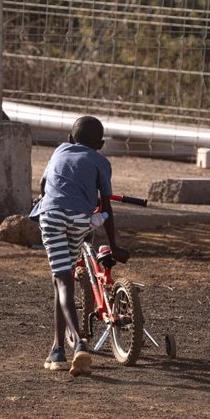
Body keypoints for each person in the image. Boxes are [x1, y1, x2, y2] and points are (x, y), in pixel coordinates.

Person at [29, 115, 129, 377]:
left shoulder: (60, 150)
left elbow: (42, 185)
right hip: (80, 221)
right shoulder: (101, 162)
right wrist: (114, 245)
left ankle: (79, 342)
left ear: (70, 139)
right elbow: (106, 206)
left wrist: (45, 199)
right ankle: (57, 350)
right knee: (62, 280)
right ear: (101, 144)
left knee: (63, 281)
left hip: (52, 216)